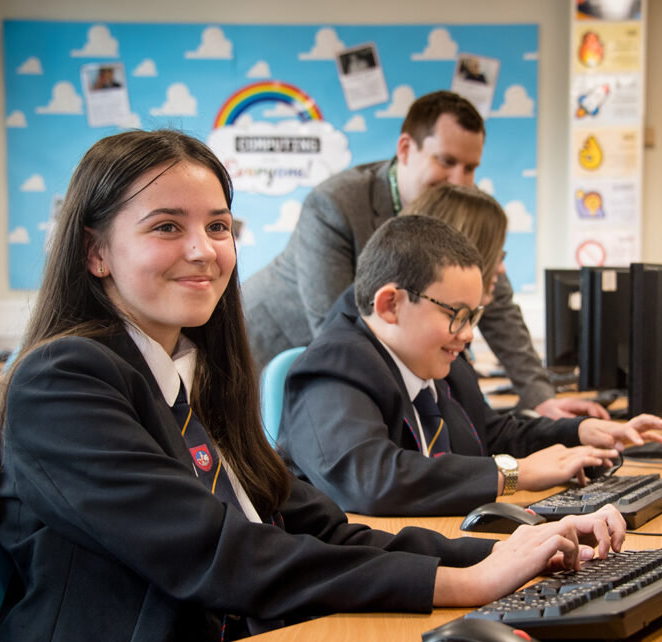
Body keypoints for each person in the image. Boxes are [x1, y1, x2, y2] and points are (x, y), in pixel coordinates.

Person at [0, 130, 628, 642]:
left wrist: (510, 550)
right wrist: (468, 584)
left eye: (219, 226)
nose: (204, 250)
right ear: (95, 251)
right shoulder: (62, 383)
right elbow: (223, 555)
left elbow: (325, 530)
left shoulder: (196, 379)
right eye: (168, 226)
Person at [241, 90, 605, 419]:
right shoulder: (336, 204)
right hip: (265, 347)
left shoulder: (455, 215)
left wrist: (539, 397)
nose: (460, 180)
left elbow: (497, 305)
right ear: (405, 149)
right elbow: (335, 326)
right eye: (446, 162)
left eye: (471, 167)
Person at [279, 214, 662, 516]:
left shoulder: (439, 361)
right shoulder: (332, 370)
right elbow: (371, 479)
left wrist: (582, 432)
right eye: (458, 314)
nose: (467, 334)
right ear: (390, 305)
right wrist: (515, 475)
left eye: (474, 316)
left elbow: (492, 434)